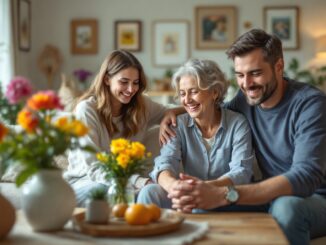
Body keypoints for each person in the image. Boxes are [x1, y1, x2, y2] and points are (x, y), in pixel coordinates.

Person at [163, 29, 326, 245]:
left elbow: (305, 175)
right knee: (200, 202)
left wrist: (223, 194)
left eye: (255, 73)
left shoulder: (310, 104)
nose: (247, 84)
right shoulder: (247, 99)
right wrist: (175, 111)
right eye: (240, 75)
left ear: (279, 66)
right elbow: (215, 107)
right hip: (268, 195)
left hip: (313, 198)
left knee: (286, 207)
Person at [64, 50, 182, 207]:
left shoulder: (141, 106)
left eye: (135, 83)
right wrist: (138, 181)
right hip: (86, 183)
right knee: (112, 191)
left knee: (152, 192)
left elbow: (176, 109)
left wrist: (170, 113)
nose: (131, 89)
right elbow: (94, 168)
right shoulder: (86, 110)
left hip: (125, 185)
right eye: (124, 82)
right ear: (107, 79)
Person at [137, 59, 254, 210]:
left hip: (226, 196)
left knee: (201, 205)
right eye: (182, 94)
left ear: (214, 92)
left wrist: (205, 189)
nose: (186, 100)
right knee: (149, 192)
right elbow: (165, 163)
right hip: (190, 195)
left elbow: (242, 172)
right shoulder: (178, 124)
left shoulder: (238, 123)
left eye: (194, 91)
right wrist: (175, 186)